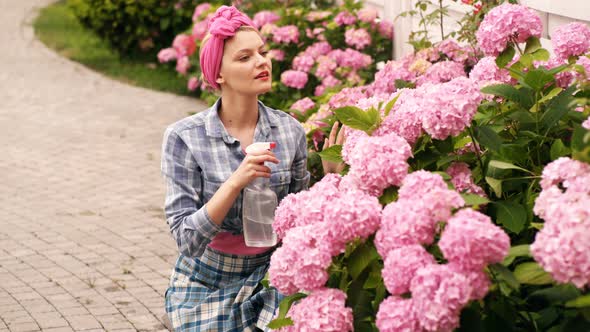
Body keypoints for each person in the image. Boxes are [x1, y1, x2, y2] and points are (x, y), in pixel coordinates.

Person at [161, 5, 344, 332]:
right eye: (245, 57)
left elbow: (300, 223)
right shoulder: (184, 138)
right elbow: (186, 240)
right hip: (207, 282)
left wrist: (332, 176)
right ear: (218, 74)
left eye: (262, 52)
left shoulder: (289, 131)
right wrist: (235, 182)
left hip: (273, 274)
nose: (262, 61)